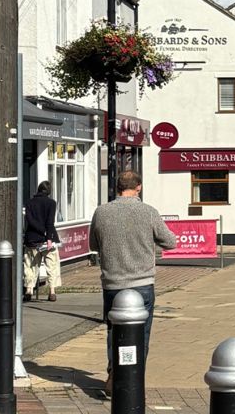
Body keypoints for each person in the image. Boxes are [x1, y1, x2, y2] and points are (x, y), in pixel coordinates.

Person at [89, 170, 177, 397]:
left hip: (112, 283)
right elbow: (170, 242)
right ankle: (134, 377)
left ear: (117, 187)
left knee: (113, 330)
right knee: (141, 333)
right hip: (142, 283)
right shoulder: (148, 212)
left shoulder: (101, 212)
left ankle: (114, 372)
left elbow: (93, 244)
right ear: (138, 187)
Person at [22, 180, 61, 302]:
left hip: (32, 239)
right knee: (52, 265)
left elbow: (29, 220)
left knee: (30, 265)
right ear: (49, 191)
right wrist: (48, 236)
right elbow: (50, 222)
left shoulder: (29, 203)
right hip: (47, 240)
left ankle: (29, 290)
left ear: (38, 189)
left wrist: (40, 231)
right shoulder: (51, 203)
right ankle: (52, 291)